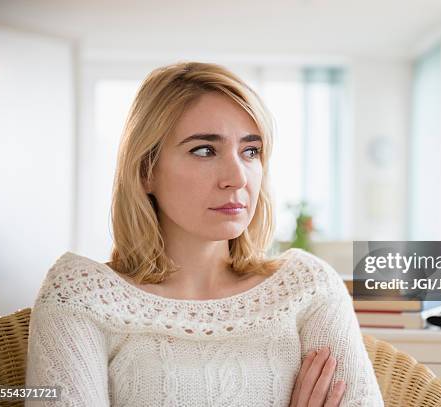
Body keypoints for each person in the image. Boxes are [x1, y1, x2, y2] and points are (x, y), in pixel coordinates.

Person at [25, 62, 384, 406]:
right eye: (204, 150)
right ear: (146, 171)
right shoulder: (80, 294)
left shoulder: (309, 287)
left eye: (250, 151)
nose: (238, 177)